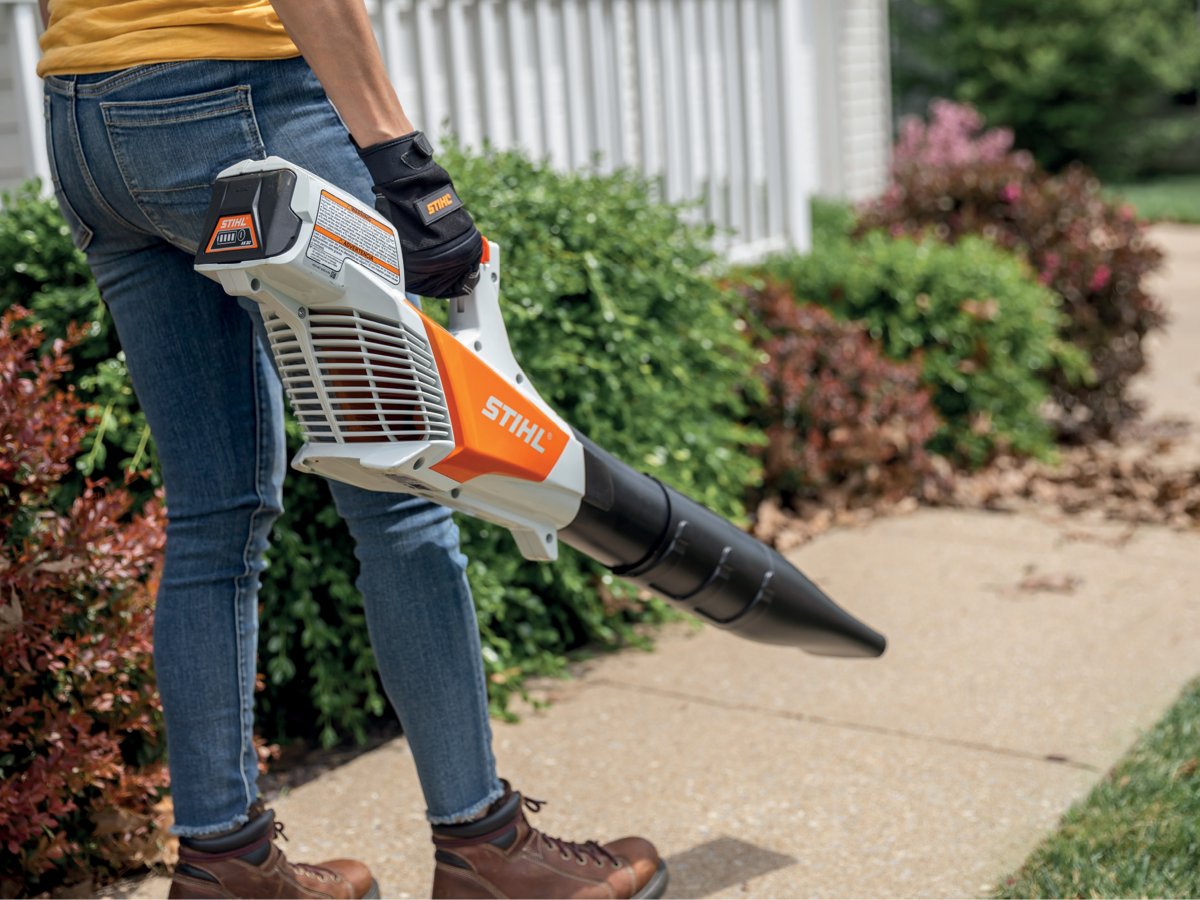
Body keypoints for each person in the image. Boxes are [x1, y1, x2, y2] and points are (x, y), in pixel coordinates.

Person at [36, 1, 668, 897]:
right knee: (400, 484)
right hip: (239, 93)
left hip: (86, 119)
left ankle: (227, 864)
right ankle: (486, 847)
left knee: (212, 516)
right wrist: (400, 160)